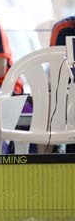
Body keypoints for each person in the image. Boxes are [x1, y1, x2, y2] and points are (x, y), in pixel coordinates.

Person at [49, 15, 75, 153]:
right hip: (67, 91)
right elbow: (55, 73)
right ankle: (47, 157)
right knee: (49, 98)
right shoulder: (63, 28)